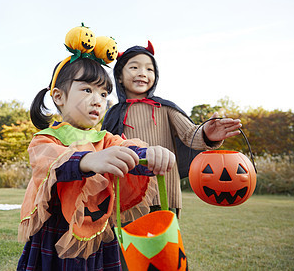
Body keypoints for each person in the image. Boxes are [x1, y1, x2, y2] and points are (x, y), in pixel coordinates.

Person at [17, 52, 176, 270]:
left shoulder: (105, 139)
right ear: (58, 96)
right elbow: (50, 161)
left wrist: (151, 155)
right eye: (87, 90)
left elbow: (128, 149)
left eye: (103, 94)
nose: (97, 101)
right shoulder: (46, 138)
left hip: (99, 233)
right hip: (56, 234)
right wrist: (89, 160)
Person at [102, 41, 242, 217]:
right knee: (128, 245)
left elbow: (190, 134)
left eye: (149, 69)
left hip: (165, 193)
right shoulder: (112, 114)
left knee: (166, 244)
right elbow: (105, 150)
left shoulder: (165, 108)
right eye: (134, 67)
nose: (142, 73)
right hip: (127, 196)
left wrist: (207, 133)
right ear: (119, 76)